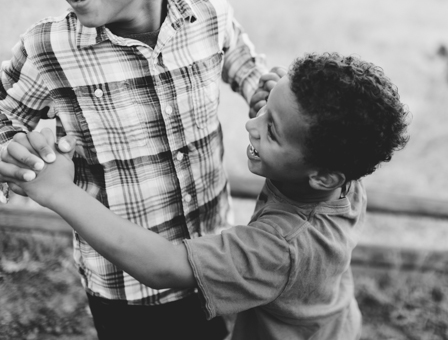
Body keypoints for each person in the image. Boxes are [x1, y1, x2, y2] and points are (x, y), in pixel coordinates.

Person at [0, 0, 282, 338]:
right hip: (126, 287)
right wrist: (10, 145)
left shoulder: (208, 11)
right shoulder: (49, 49)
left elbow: (241, 60)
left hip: (212, 255)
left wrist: (260, 88)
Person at [15, 52, 410, 340]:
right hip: (336, 321)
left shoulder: (281, 247)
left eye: (271, 130)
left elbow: (166, 267)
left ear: (323, 176)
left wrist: (59, 192)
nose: (251, 125)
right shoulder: (344, 175)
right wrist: (276, 111)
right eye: (265, 111)